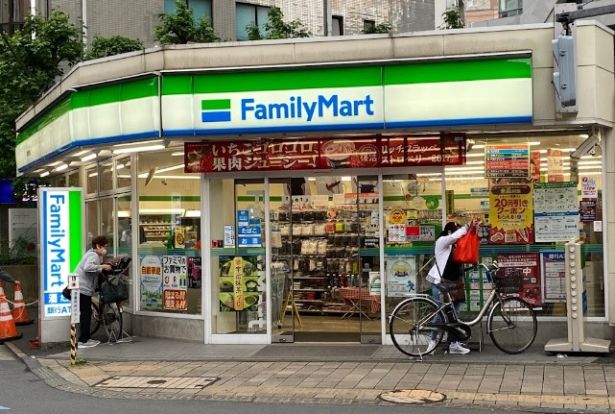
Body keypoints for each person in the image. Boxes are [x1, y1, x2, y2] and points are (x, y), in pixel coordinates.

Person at [426, 220, 478, 355]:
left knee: (454, 314)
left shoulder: (456, 245)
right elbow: (454, 237)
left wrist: (473, 229)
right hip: (441, 282)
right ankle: (432, 342)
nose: (458, 235)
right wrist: (466, 227)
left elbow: (467, 244)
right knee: (440, 314)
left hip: (455, 283)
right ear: (449, 232)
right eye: (455, 231)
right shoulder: (442, 241)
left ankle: (453, 343)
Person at [76, 235, 112, 348]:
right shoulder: (93, 255)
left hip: (81, 288)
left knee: (86, 313)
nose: (105, 249)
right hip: (82, 289)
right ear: (98, 246)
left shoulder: (91, 253)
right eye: (104, 247)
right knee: (86, 314)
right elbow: (87, 267)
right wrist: (103, 267)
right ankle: (83, 341)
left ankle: (85, 338)